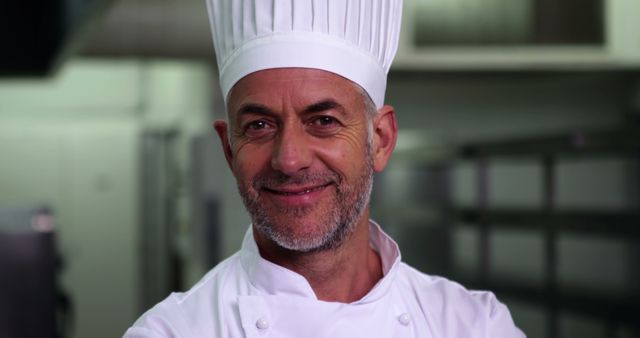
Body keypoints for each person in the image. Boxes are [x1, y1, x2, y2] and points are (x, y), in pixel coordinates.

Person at [124, 0, 525, 337]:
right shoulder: (173, 332)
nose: (290, 159)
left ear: (381, 139)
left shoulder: (473, 326)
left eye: (324, 121)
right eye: (259, 126)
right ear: (229, 149)